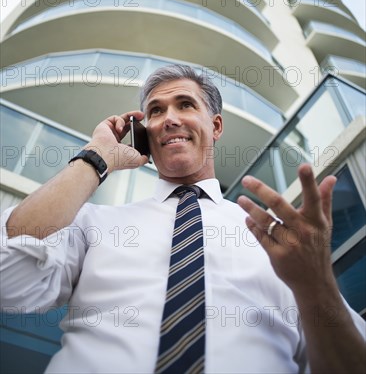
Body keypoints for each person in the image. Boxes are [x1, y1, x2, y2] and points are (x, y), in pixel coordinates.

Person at [1, 64, 365, 373]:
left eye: (185, 104)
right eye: (155, 111)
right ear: (145, 134)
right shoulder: (93, 224)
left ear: (216, 126)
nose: (169, 119)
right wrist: (98, 156)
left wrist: (316, 284)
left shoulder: (278, 240)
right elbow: (7, 279)